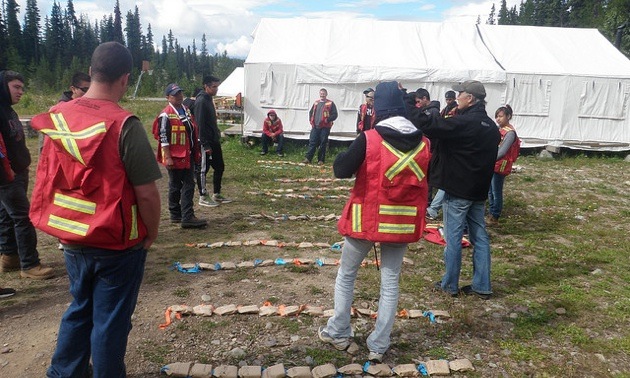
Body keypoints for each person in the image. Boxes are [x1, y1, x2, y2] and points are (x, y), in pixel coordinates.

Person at [29, 41, 162, 377]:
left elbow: (48, 176)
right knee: (110, 322)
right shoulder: (124, 125)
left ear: (90, 72)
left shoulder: (57, 116)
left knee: (80, 308)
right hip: (116, 243)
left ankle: (64, 372)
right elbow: (147, 194)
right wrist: (151, 233)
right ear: (125, 78)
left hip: (72, 236)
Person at [318, 81, 431, 363]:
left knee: (347, 275)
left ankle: (339, 330)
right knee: (390, 283)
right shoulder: (425, 143)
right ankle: (379, 344)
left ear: (378, 107)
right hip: (400, 224)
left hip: (364, 222)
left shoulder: (369, 138)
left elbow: (340, 170)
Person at [411, 80, 500, 300]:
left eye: (460, 93)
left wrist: (411, 106)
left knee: (453, 238)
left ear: (470, 98)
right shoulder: (490, 127)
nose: (457, 96)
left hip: (458, 190)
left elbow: (432, 127)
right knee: (480, 237)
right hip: (478, 190)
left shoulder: (464, 122)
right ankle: (482, 285)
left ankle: (449, 284)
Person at [0, 70, 55, 279]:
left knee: (6, 216)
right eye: (16, 87)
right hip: (7, 176)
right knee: (24, 217)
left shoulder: (8, 111)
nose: (21, 92)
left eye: (22, 88)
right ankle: (30, 265)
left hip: (17, 172)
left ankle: (10, 257)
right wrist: (7, 172)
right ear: (3, 86)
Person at [153, 83, 207, 229]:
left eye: (180, 93)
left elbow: (192, 130)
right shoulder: (165, 115)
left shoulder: (186, 110)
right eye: (175, 94)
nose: (179, 96)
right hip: (175, 156)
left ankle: (179, 214)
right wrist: (168, 157)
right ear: (167, 98)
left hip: (187, 153)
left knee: (184, 183)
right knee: (179, 184)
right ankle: (184, 215)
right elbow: (163, 137)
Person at [194, 75, 232, 207]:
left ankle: (217, 193)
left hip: (214, 139)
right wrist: (204, 143)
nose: (216, 89)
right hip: (205, 141)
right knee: (203, 169)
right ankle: (203, 196)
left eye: (217, 86)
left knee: (220, 167)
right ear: (206, 86)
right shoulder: (201, 101)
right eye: (214, 87)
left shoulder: (209, 99)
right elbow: (200, 124)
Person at [487, 104, 520, 226]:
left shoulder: (510, 133)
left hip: (500, 164)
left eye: (500, 116)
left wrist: (489, 159)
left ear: (508, 116)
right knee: (490, 190)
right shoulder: (500, 129)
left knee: (496, 190)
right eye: (497, 116)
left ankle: (495, 215)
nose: (498, 119)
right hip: (493, 162)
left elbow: (502, 151)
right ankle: (491, 212)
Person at [303, 88, 338, 165]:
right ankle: (308, 158)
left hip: (325, 127)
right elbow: (311, 112)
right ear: (319, 94)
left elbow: (335, 115)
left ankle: (321, 160)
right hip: (315, 126)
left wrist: (328, 120)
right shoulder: (316, 103)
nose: (322, 95)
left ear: (326, 94)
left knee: (323, 143)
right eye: (321, 93)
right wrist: (311, 121)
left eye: (323, 93)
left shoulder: (330, 103)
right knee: (312, 142)